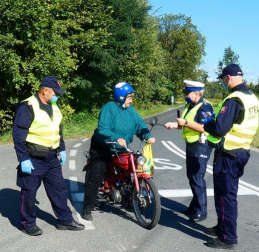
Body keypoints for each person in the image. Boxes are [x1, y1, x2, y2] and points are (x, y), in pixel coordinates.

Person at [13, 76, 84, 235]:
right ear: (45, 91)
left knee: (59, 190)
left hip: (51, 157)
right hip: (33, 158)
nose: (57, 95)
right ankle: (28, 224)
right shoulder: (28, 106)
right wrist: (23, 158)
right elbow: (18, 135)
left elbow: (57, 129)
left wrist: (62, 148)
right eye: (55, 92)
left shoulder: (54, 106)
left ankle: (65, 220)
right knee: (29, 192)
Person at [200, 64, 259, 249]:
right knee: (223, 194)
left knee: (226, 196)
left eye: (223, 79)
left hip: (229, 153)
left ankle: (228, 238)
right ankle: (221, 227)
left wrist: (208, 122)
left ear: (229, 78)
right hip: (242, 151)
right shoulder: (252, 98)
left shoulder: (233, 99)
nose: (223, 83)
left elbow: (219, 129)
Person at [82, 82, 156, 221]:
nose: (131, 100)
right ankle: (87, 207)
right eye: (129, 97)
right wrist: (116, 138)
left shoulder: (130, 110)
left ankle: (129, 198)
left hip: (121, 147)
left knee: (128, 169)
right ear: (121, 97)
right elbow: (102, 129)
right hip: (103, 145)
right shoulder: (108, 108)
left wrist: (147, 136)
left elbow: (139, 124)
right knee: (96, 174)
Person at [164, 80, 214, 223]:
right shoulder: (190, 105)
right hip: (191, 144)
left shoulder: (205, 107)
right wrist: (175, 125)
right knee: (191, 176)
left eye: (188, 93)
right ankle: (194, 207)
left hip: (201, 145)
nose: (185, 95)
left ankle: (201, 211)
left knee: (197, 177)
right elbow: (187, 124)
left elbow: (204, 127)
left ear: (197, 93)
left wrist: (184, 123)